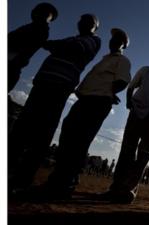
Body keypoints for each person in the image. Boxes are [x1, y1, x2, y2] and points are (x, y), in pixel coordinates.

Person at [9, 14, 101, 191]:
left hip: (59, 87)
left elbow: (72, 47)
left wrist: (52, 45)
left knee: (43, 132)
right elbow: (56, 45)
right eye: (81, 19)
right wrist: (53, 45)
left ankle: (23, 178)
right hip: (43, 83)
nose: (82, 22)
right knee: (21, 128)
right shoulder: (73, 39)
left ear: (95, 27)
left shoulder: (93, 41)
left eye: (88, 21)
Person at [42, 28, 130, 198]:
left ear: (123, 45)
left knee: (79, 141)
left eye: (117, 41)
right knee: (68, 136)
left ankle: (64, 183)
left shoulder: (122, 60)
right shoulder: (105, 60)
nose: (112, 42)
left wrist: (110, 93)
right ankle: (60, 180)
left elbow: (122, 81)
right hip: (85, 99)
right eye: (112, 40)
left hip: (97, 101)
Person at [102, 53, 149, 204]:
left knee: (143, 155)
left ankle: (128, 190)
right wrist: (128, 102)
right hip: (137, 113)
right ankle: (115, 188)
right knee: (127, 150)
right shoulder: (146, 71)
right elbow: (131, 87)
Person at [8, 2, 58, 92]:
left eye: (44, 13)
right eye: (38, 11)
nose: (38, 14)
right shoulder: (30, 27)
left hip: (11, 67)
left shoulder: (40, 30)